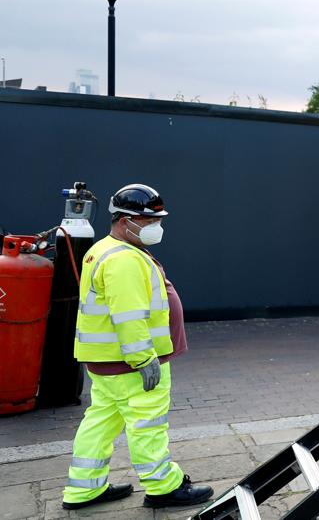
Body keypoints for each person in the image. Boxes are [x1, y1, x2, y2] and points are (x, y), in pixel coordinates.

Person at [61, 184, 213, 511]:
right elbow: (128, 316)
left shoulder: (106, 249)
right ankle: (163, 487)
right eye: (150, 220)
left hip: (107, 361)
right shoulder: (123, 260)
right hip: (131, 364)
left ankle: (83, 489)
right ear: (125, 220)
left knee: (101, 419)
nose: (157, 226)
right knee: (147, 422)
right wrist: (144, 359)